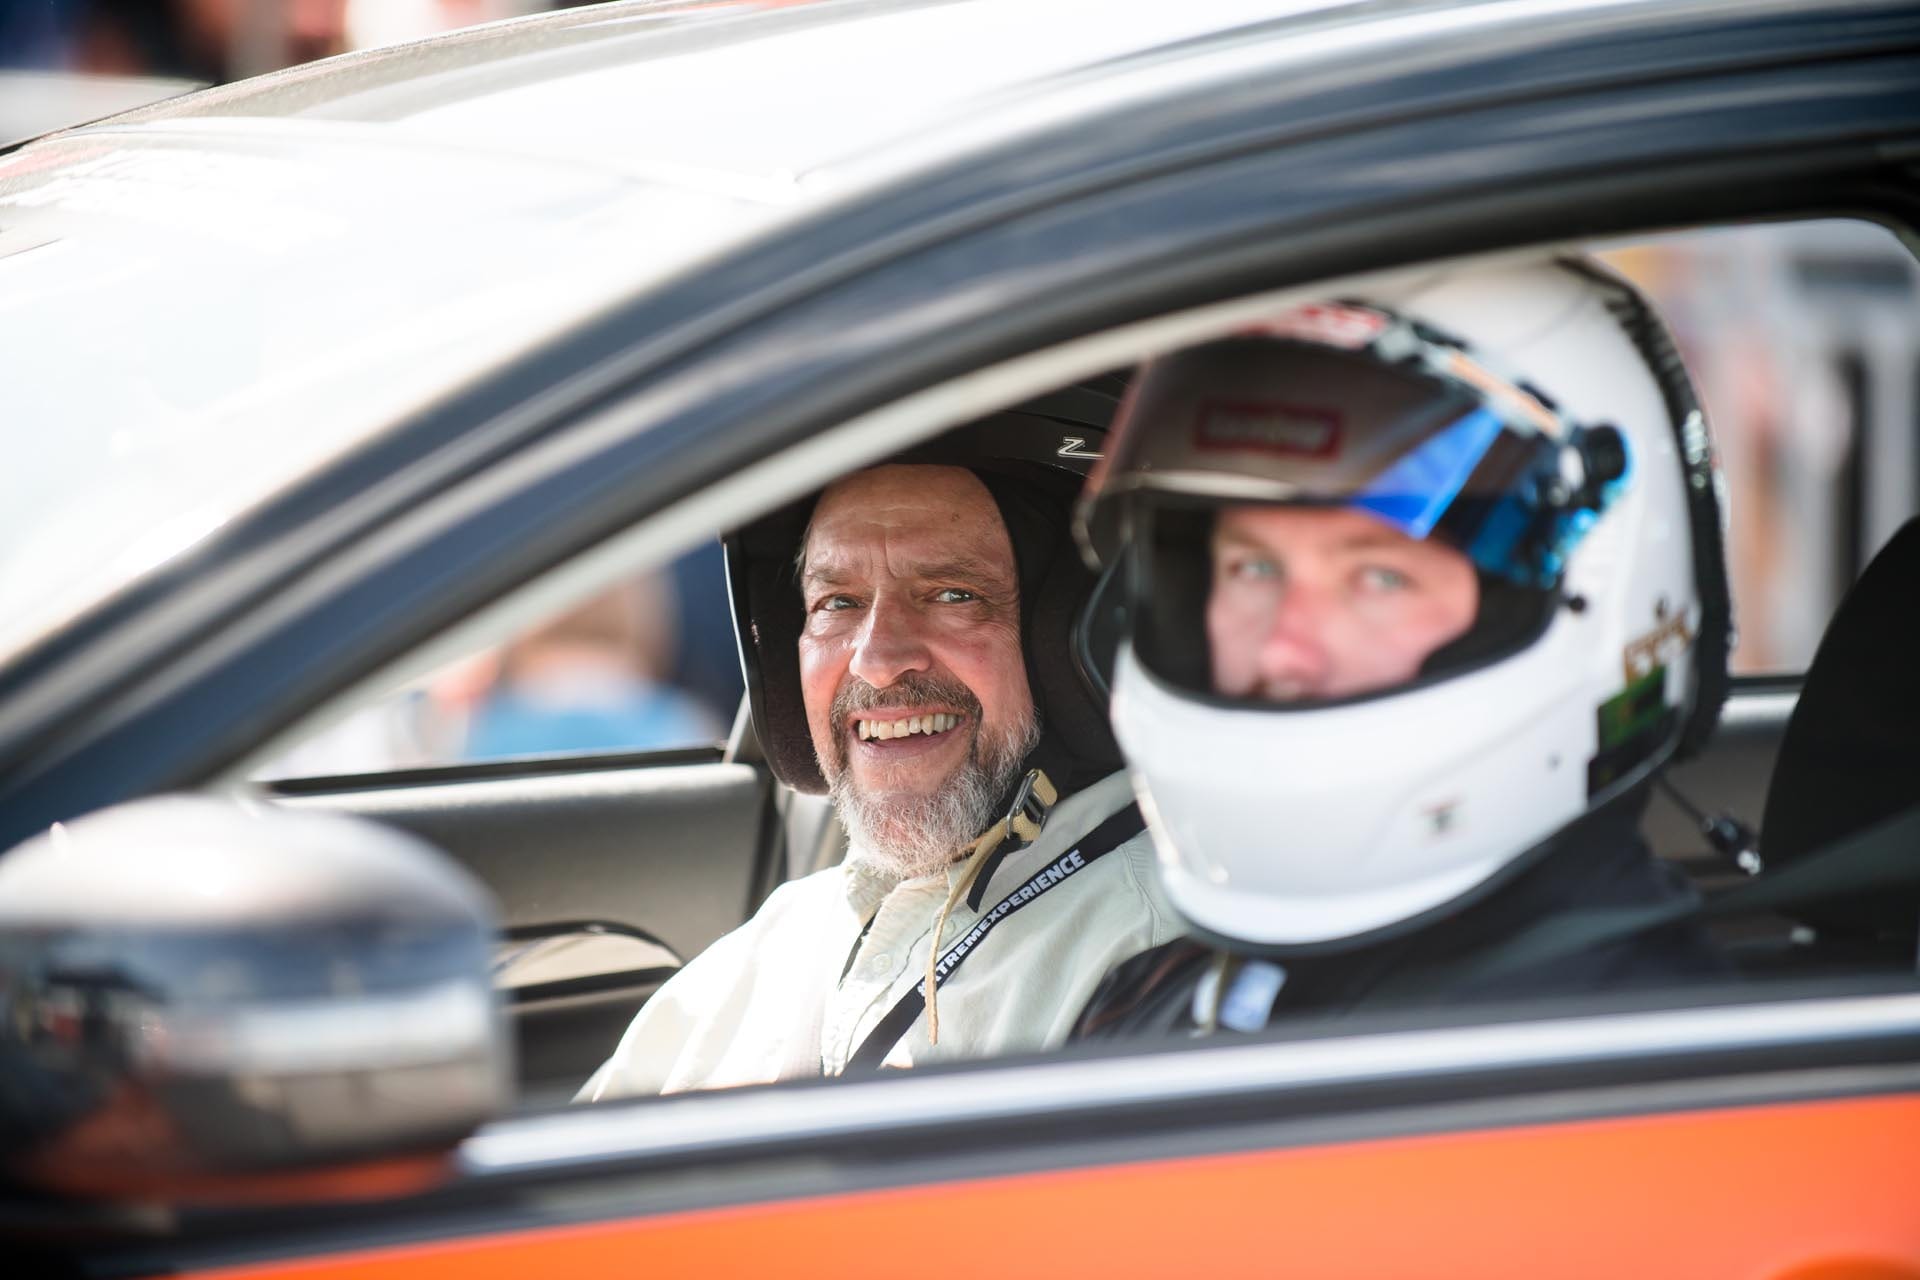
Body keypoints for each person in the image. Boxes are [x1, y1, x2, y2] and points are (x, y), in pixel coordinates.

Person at [1070, 256, 1733, 1039]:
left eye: (1379, 578)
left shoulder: (1632, 1061)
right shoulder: (1151, 996)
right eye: (1252, 568)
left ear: (1595, 597)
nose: (1284, 652)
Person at [581, 387, 1179, 1096]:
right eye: (837, 603)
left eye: (952, 595)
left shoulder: (1145, 959)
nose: (876, 661)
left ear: (1079, 641)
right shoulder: (789, 932)